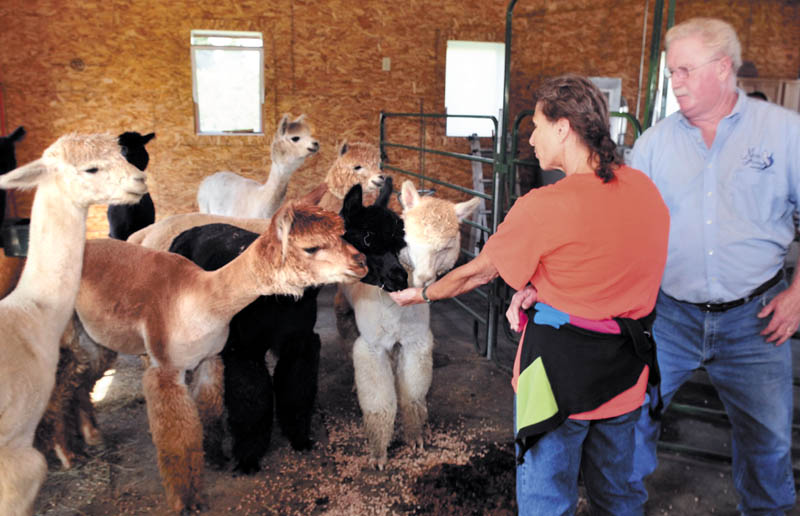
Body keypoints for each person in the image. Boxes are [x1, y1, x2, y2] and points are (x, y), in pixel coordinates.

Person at [390, 74, 670, 515]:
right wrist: (541, 286)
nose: (532, 138)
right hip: (626, 373)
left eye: (536, 126)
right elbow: (606, 261)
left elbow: (478, 274)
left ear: (563, 128)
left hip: (558, 379)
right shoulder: (645, 190)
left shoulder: (545, 205)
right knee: (617, 494)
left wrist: (422, 293)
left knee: (546, 498)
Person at [627, 17, 800, 515]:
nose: (674, 82)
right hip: (670, 315)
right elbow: (627, 227)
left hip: (757, 320)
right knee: (634, 418)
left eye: (684, 70)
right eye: (671, 72)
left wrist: (797, 295)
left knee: (768, 441)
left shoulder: (784, 134)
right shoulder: (654, 144)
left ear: (723, 68)